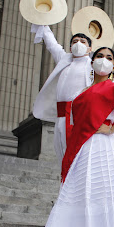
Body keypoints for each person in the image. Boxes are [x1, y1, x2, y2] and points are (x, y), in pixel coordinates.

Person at [38, 47, 114, 227]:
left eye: (109, 58)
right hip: (83, 146)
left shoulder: (113, 85)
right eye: (99, 57)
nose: (103, 61)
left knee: (86, 194)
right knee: (84, 194)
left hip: (101, 146)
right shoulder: (82, 92)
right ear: (91, 62)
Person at [31, 25, 93, 162]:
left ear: (90, 49)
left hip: (80, 116)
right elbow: (52, 44)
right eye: (75, 41)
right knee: (62, 154)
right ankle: (64, 181)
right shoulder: (64, 59)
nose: (78, 44)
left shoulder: (93, 66)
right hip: (61, 117)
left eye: (83, 42)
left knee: (78, 155)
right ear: (70, 48)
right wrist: (43, 24)